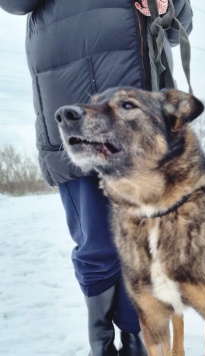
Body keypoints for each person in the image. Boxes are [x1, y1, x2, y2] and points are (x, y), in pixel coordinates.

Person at [0, 1, 193, 355]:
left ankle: (138, 341)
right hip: (70, 99)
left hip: (139, 119)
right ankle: (101, 345)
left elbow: (181, 24)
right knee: (98, 249)